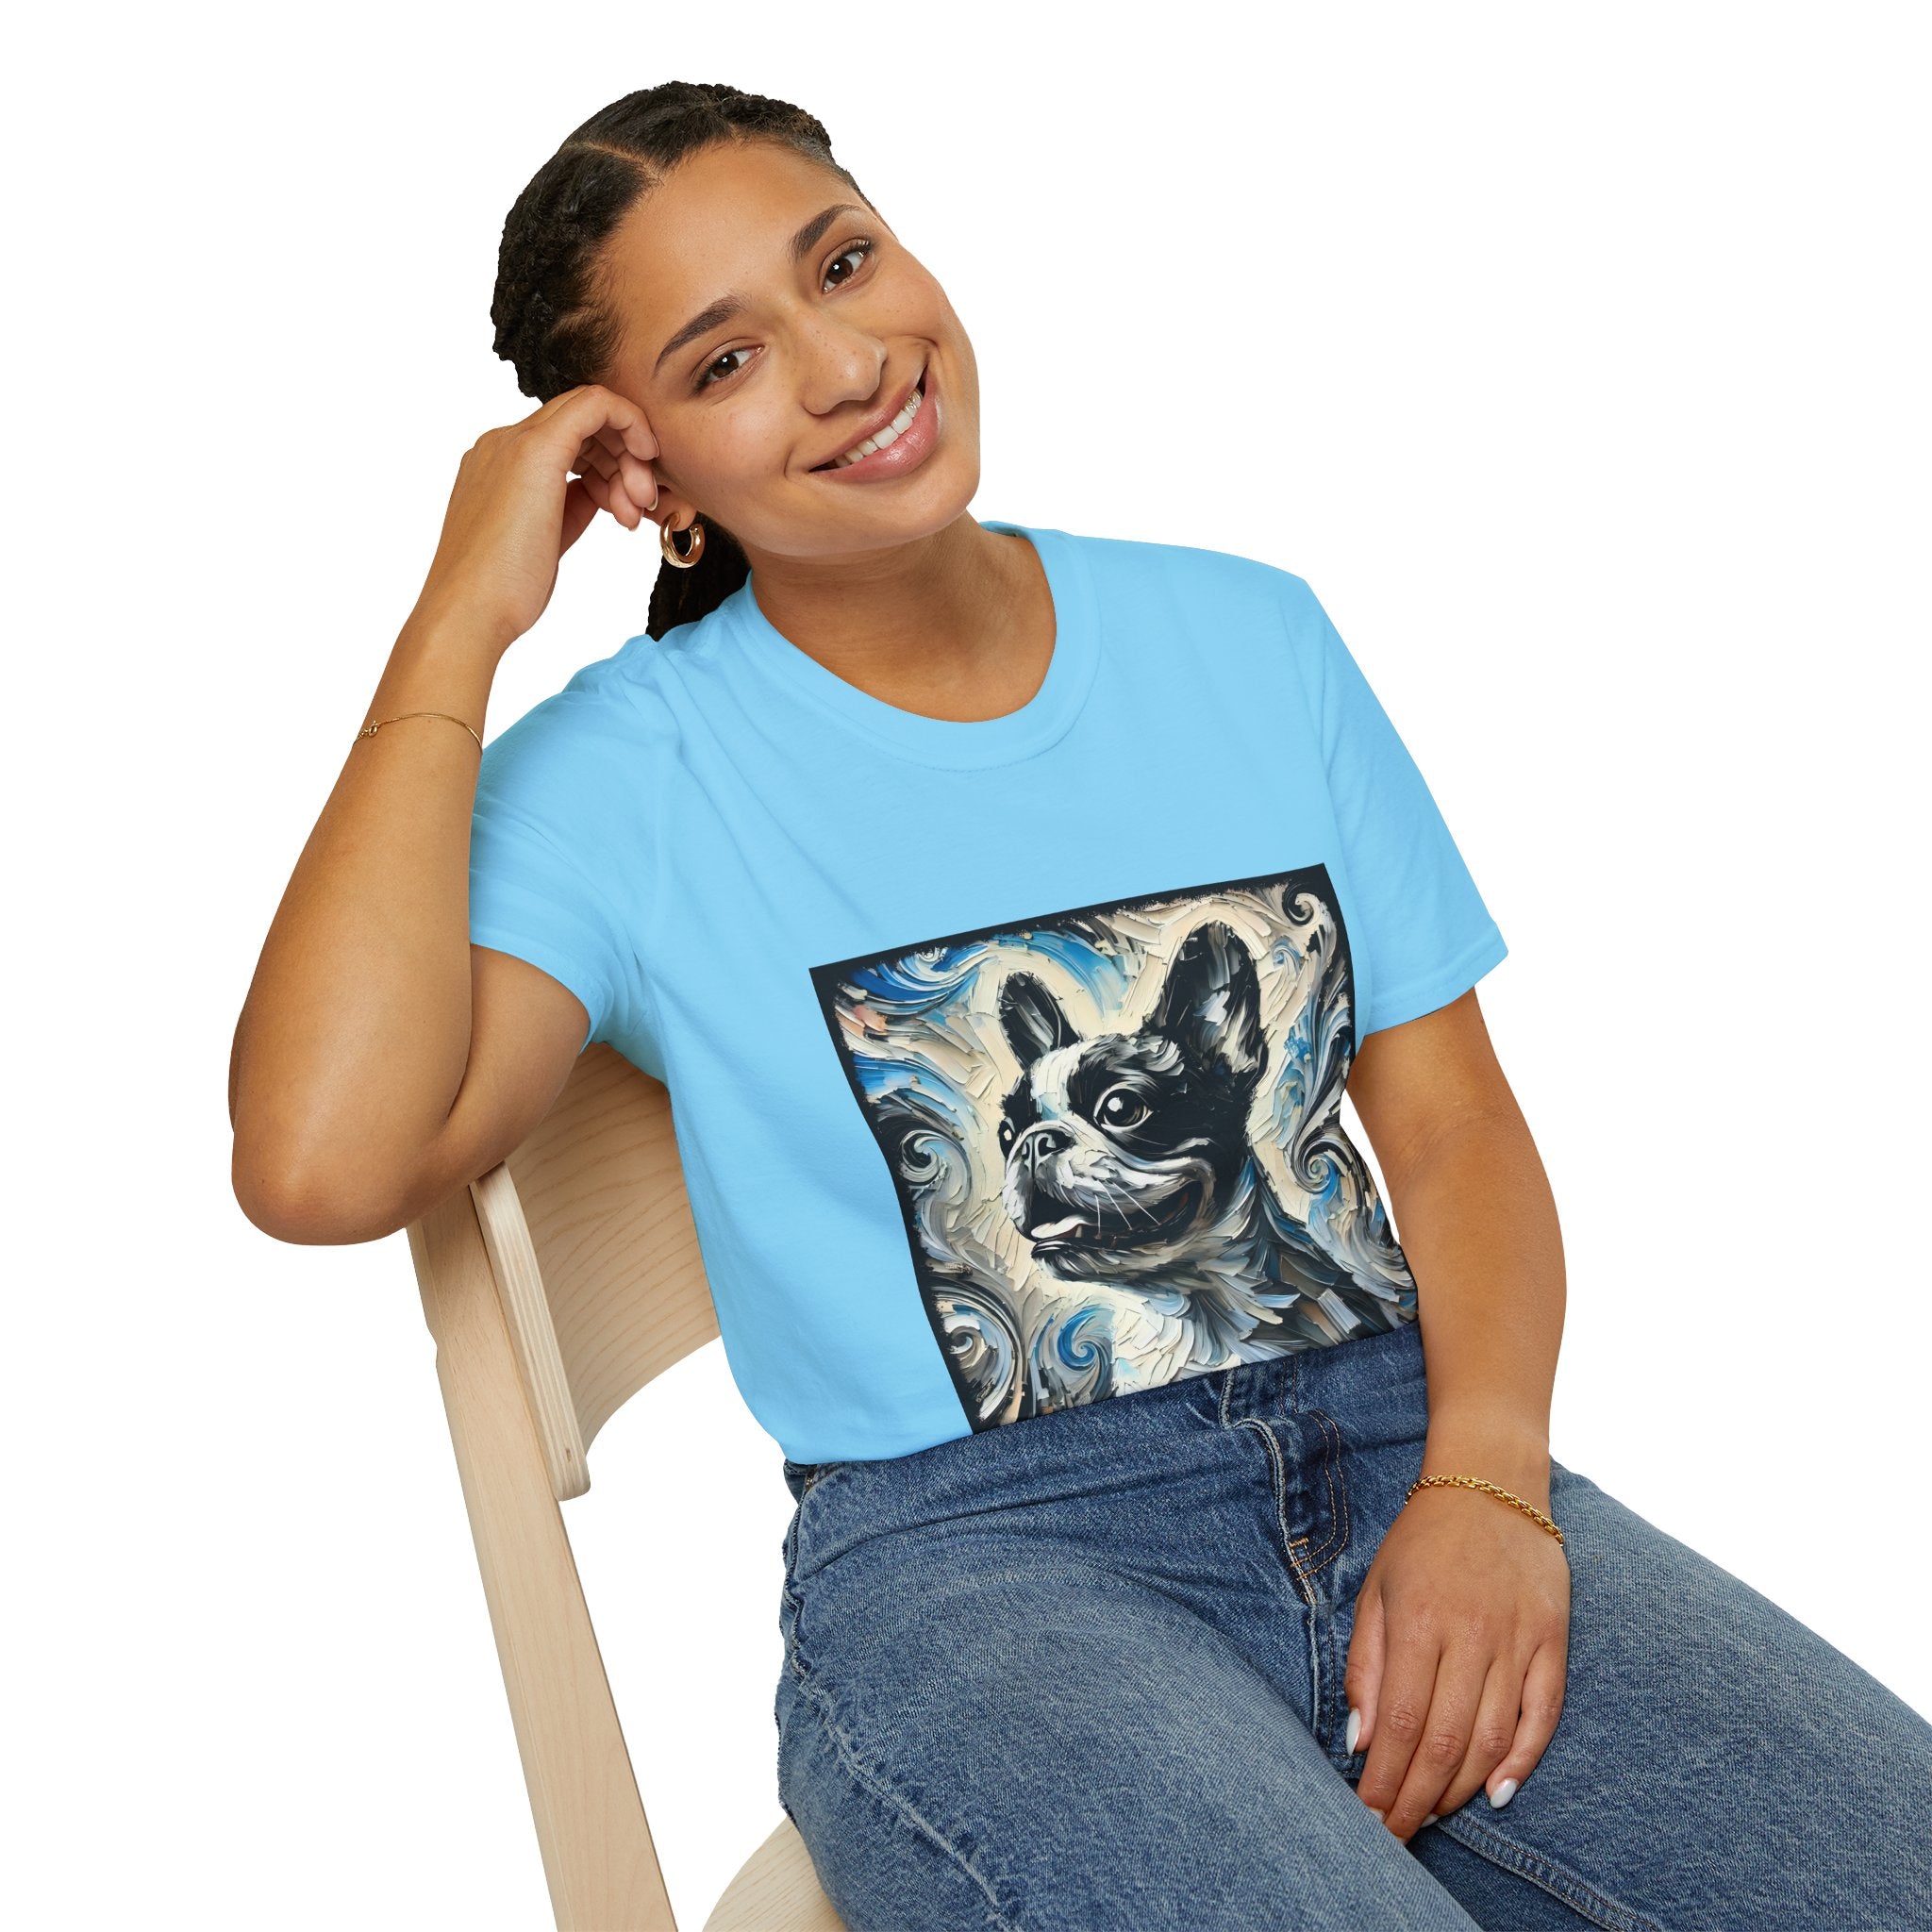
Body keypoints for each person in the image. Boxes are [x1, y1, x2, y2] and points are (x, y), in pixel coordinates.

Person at [228, 80, 1932, 1932]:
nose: (845, 361)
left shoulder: (1247, 637)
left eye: (845, 263)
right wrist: (456, 619)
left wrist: (1490, 1486)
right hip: (985, 1568)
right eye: (725, 362)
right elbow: (320, 1159)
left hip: (1406, 1447)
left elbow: (1447, 1128)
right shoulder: (629, 774)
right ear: (649, 480)